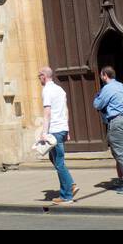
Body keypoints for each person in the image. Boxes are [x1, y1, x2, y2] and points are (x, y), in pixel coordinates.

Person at [38, 67, 77, 205]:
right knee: (53, 157)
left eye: (39, 76)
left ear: (44, 76)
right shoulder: (60, 90)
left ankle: (67, 195)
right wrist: (67, 130)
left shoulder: (47, 90)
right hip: (62, 129)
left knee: (59, 163)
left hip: (54, 130)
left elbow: (47, 113)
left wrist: (44, 132)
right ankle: (69, 185)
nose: (39, 79)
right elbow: (66, 110)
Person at [92, 66, 123, 193]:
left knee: (121, 154)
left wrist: (97, 96)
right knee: (122, 153)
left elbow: (97, 104)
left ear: (105, 75)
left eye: (101, 75)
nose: (101, 77)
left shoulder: (108, 88)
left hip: (116, 122)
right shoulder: (121, 86)